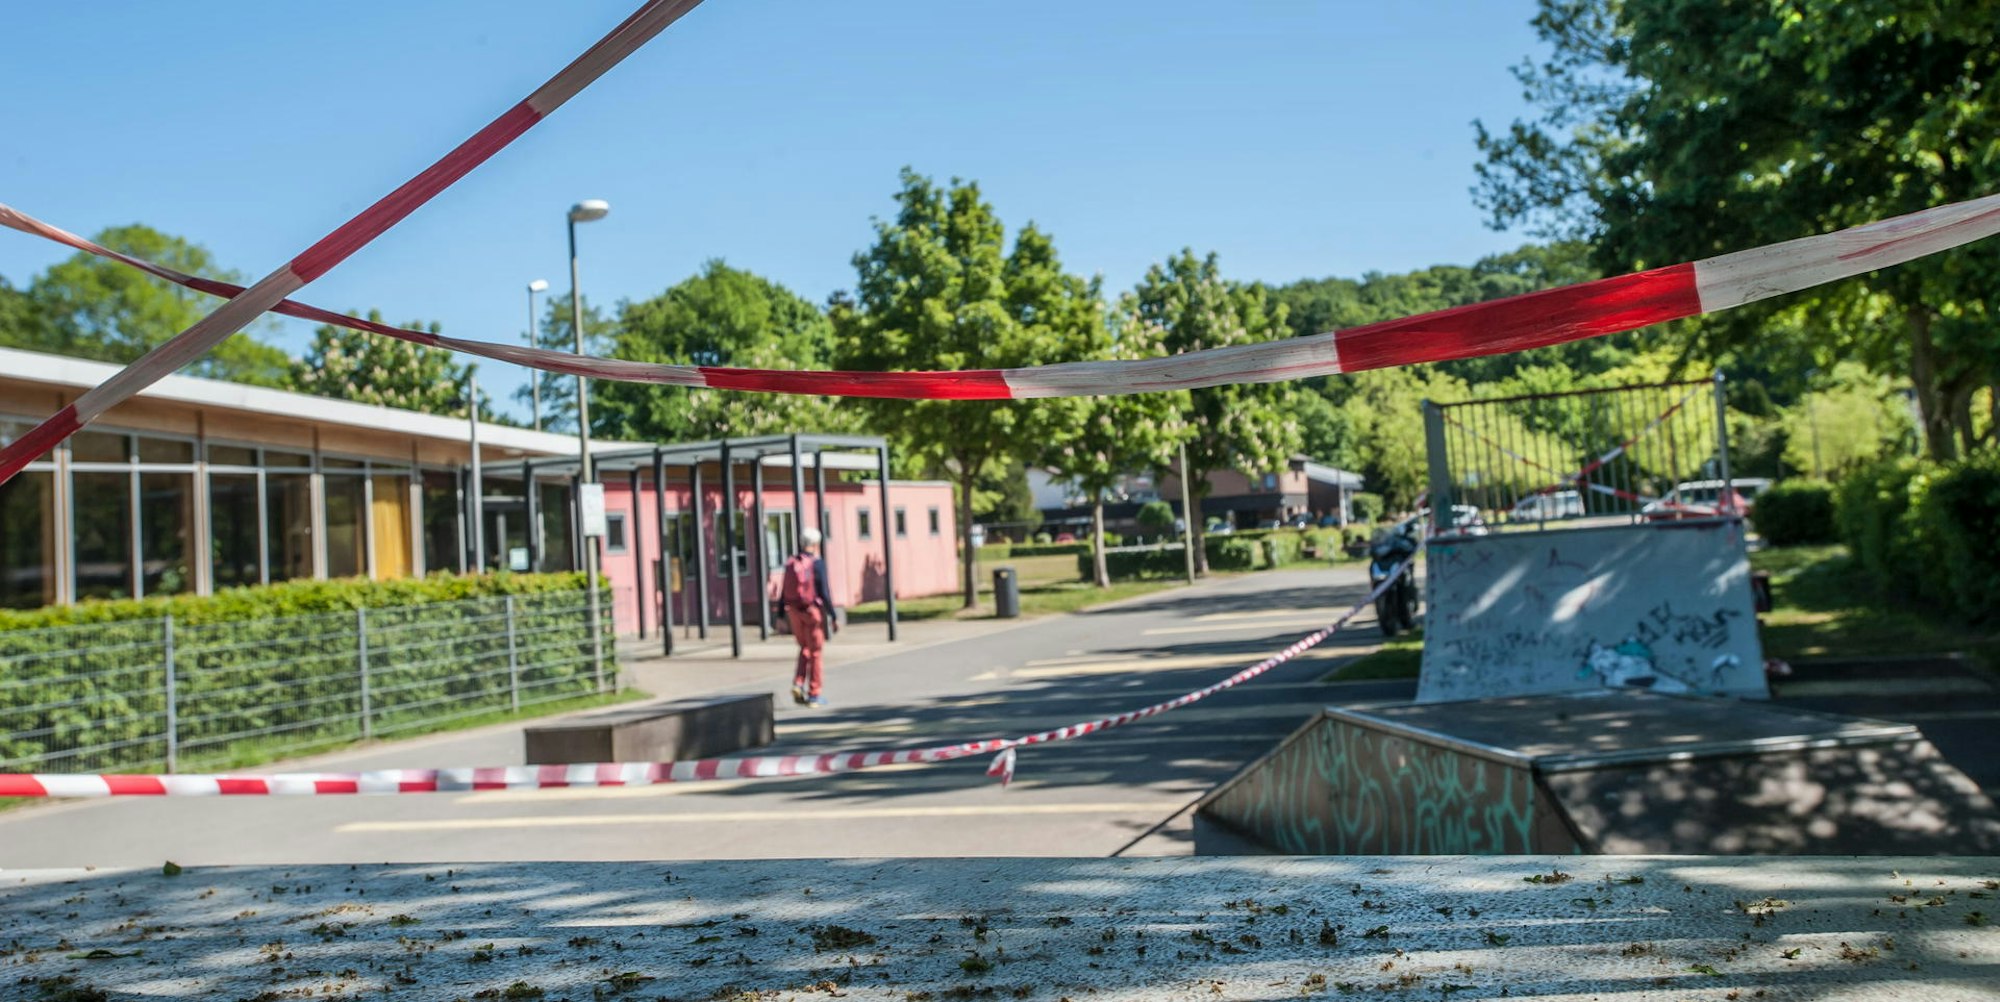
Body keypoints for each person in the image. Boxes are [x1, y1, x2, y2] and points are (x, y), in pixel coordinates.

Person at [778, 527, 836, 707]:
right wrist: (833, 615)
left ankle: (798, 682)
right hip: (811, 611)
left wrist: (779, 613)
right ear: (816, 544)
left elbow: (783, 591)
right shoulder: (816, 563)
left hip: (793, 611)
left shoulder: (792, 563)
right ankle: (814, 693)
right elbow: (824, 592)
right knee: (816, 651)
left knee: (804, 647)